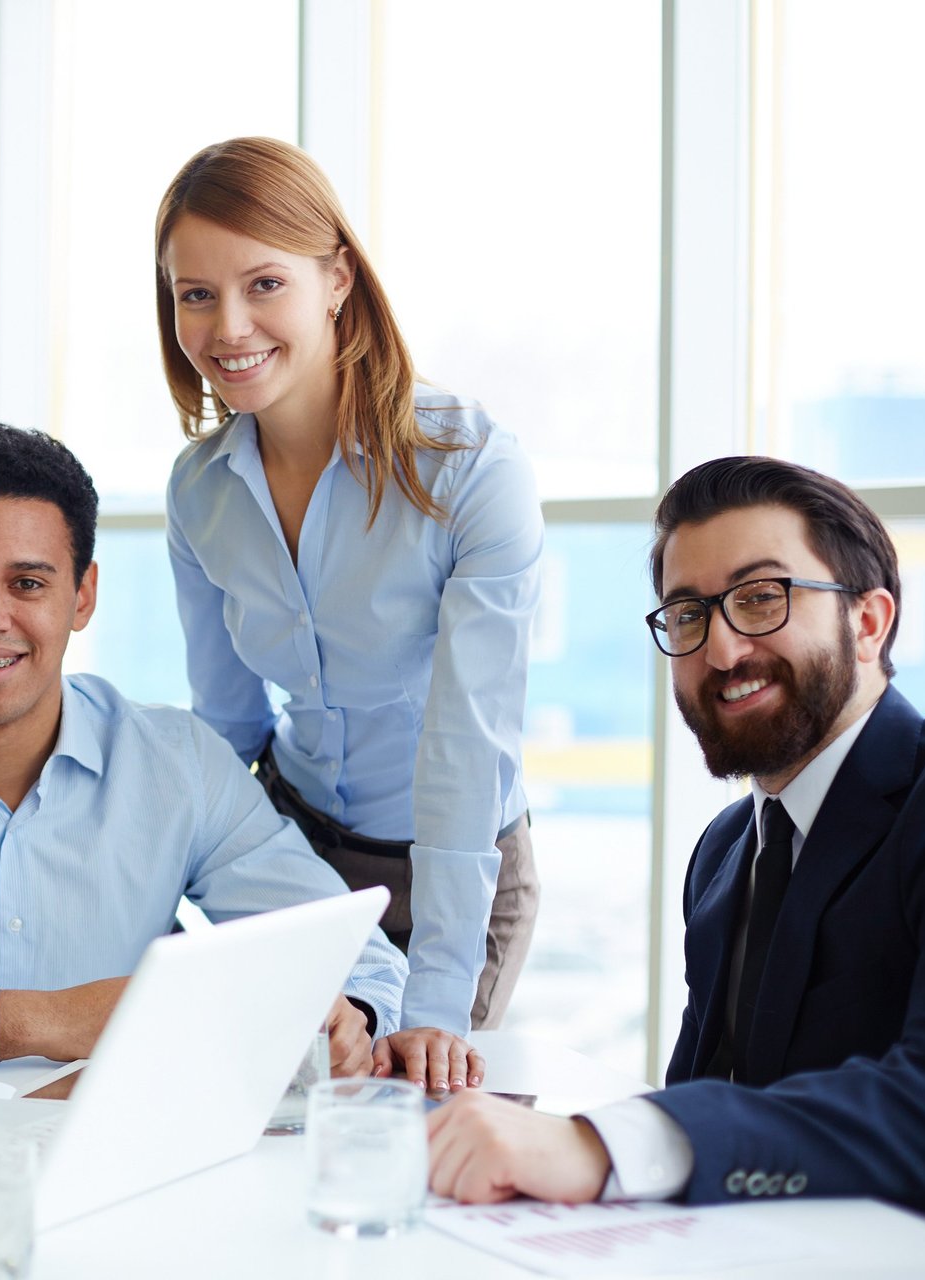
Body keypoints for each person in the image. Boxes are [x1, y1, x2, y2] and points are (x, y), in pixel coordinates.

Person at [0, 424, 484, 1092]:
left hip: (119, 1170)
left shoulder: (175, 765)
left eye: (28, 583)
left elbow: (358, 957)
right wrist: (45, 1019)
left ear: (83, 595)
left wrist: (351, 1019)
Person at [423, 457, 925, 1252]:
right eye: (688, 615)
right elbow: (709, 1107)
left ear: (870, 621)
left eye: (760, 598)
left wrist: (599, 1147)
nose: (721, 649)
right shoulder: (724, 853)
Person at [155, 137, 543, 1035]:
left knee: (412, 1121)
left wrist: (436, 1006)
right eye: (196, 296)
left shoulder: (470, 472)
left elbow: (465, 751)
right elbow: (227, 728)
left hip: (454, 863)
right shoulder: (199, 491)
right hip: (295, 860)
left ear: (336, 279)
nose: (229, 329)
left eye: (264, 285)